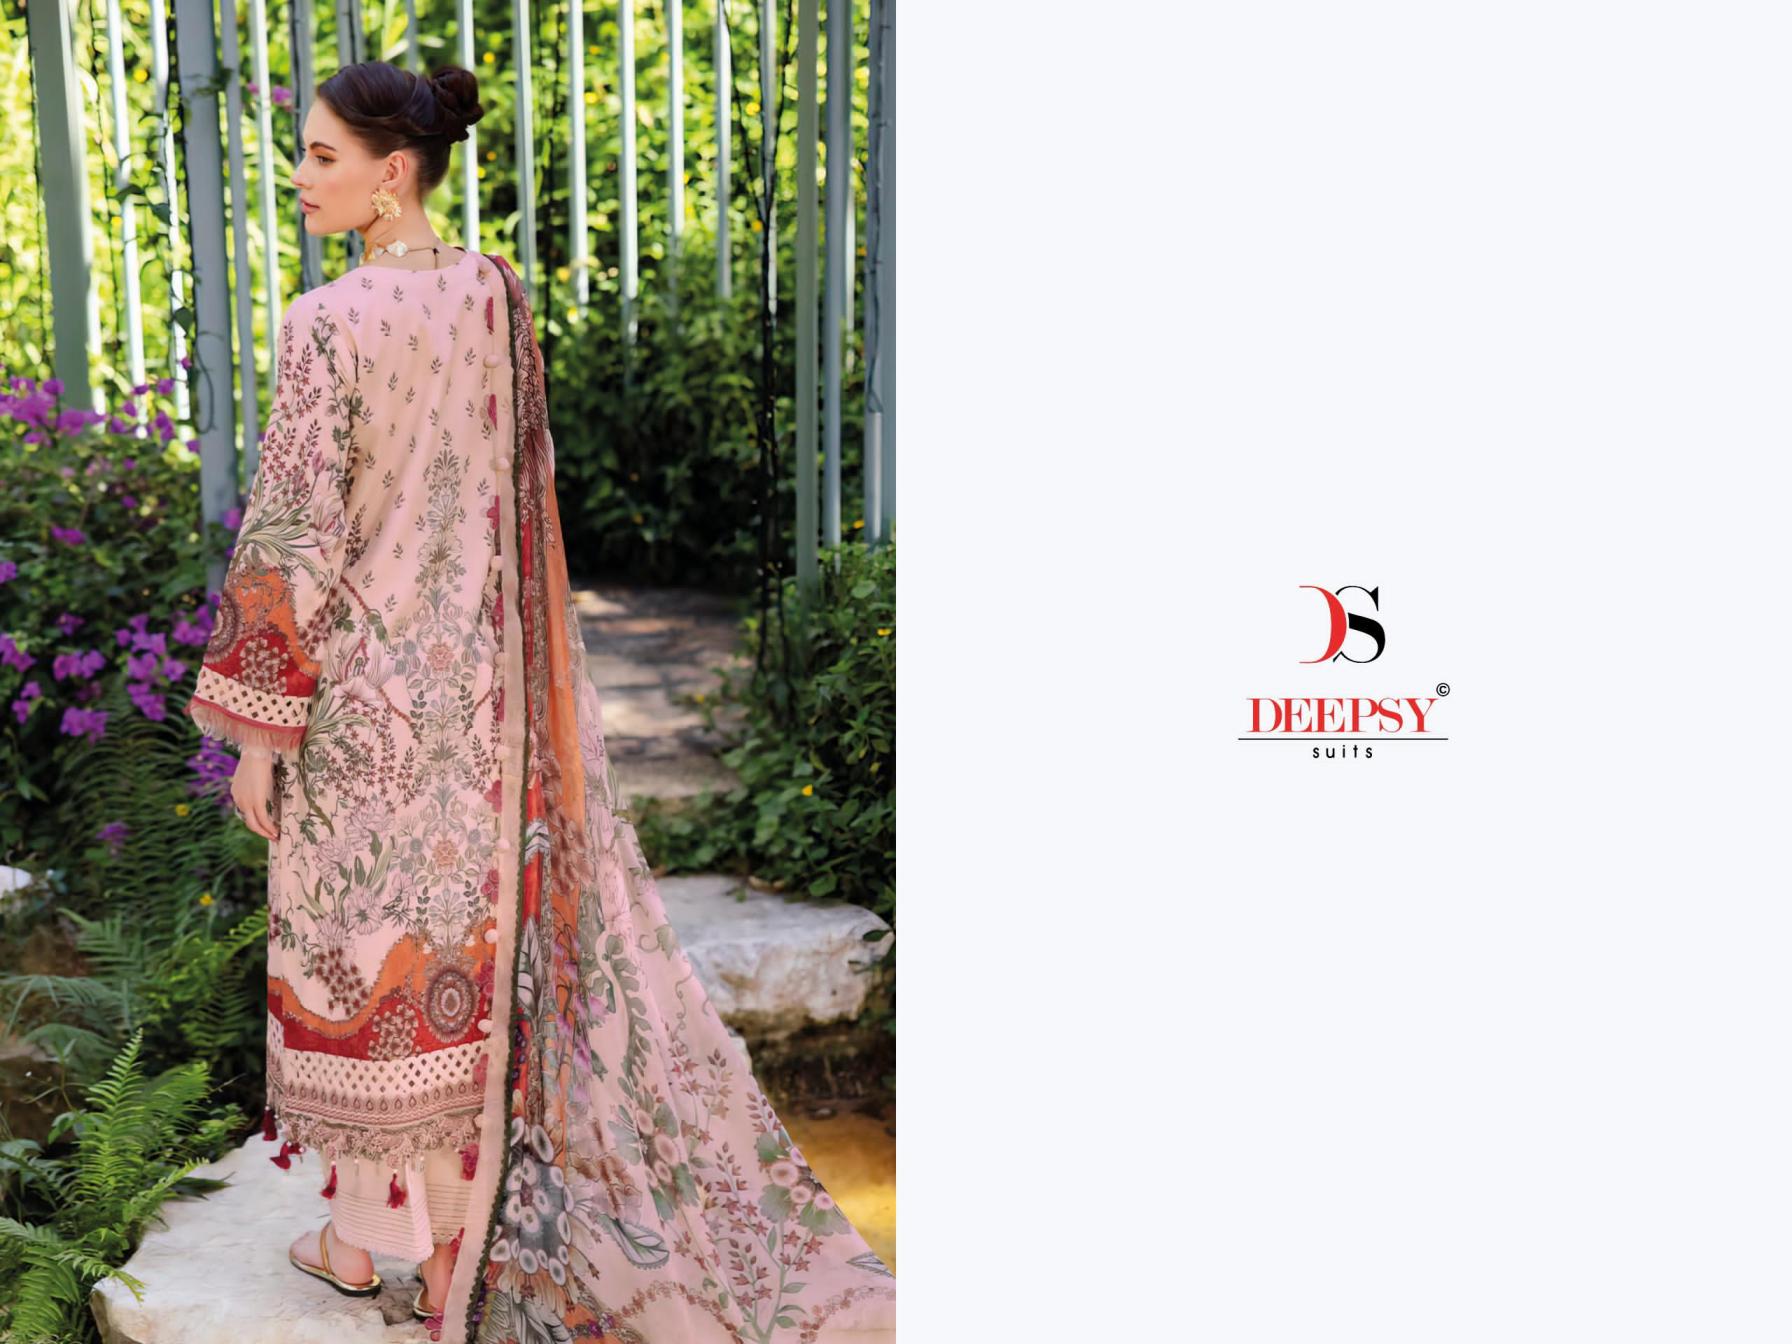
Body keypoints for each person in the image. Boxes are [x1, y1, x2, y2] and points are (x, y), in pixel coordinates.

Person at [185, 59, 895, 1344]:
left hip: (361, 709)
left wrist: (257, 732)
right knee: (456, 967)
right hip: (480, 704)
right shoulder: (494, 294)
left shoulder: (324, 323)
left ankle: (369, 1242)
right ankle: (441, 1248)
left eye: (323, 156)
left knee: (361, 962)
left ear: (393, 171)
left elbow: (293, 535)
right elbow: (522, 496)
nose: (300, 176)